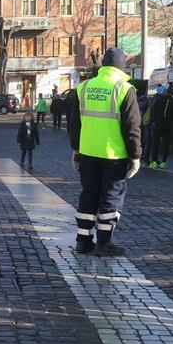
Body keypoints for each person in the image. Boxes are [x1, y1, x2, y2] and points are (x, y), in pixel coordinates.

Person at [68, 47, 141, 256]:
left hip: (88, 153)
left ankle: (83, 241)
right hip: (114, 155)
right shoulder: (124, 89)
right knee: (110, 199)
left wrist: (76, 149)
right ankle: (104, 242)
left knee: (88, 196)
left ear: (103, 65)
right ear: (121, 66)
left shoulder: (83, 87)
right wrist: (135, 156)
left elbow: (75, 123)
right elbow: (132, 127)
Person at [147, 84, 173, 169]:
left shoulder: (159, 99)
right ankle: (163, 162)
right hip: (168, 125)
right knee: (165, 144)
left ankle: (154, 162)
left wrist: (153, 121)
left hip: (157, 124)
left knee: (155, 143)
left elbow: (153, 110)